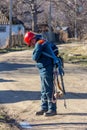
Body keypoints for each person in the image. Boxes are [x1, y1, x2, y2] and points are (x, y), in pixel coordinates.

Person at [24, 31, 59, 116]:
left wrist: (35, 53)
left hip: (47, 68)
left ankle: (52, 109)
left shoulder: (39, 43)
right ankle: (44, 108)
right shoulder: (42, 41)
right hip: (44, 69)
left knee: (49, 89)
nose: (31, 45)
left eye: (30, 43)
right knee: (43, 89)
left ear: (32, 40)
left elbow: (35, 57)